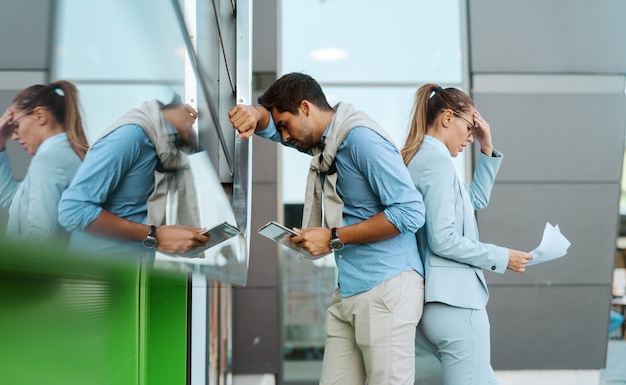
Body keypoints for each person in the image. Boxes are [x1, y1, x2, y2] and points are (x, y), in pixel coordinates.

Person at [229, 72, 426, 384]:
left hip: (387, 289)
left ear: (306, 108)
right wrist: (254, 113)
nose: (284, 136)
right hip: (350, 291)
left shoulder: (361, 140)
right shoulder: (326, 144)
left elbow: (411, 212)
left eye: (285, 125)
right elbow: (269, 127)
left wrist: (333, 237)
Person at [401, 83, 533, 385]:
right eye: (469, 128)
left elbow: (474, 201)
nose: (470, 138)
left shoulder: (423, 158)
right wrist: (503, 257)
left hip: (442, 304)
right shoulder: (437, 162)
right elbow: (443, 238)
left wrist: (487, 148)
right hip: (457, 304)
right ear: (448, 118)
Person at [58, 97, 209, 262]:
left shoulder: (162, 151)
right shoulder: (129, 138)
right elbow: (72, 210)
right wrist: (154, 235)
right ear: (187, 111)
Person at [0, 80, 89, 244]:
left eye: (15, 125)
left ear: (40, 116)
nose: (14, 136)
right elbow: (14, 201)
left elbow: (41, 238)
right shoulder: (65, 153)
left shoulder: (50, 159)